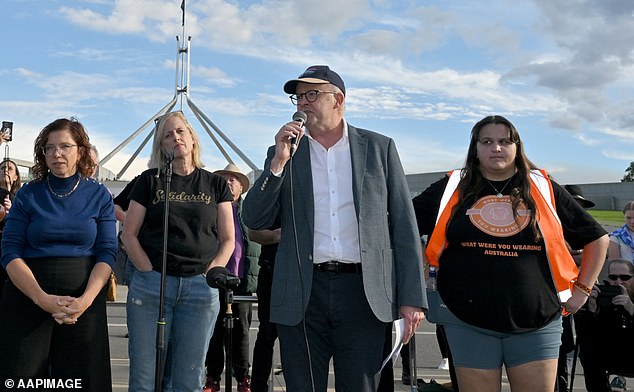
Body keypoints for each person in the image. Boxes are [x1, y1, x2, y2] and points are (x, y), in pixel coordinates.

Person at [243, 65, 426, 391]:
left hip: (363, 294)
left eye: (312, 94)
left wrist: (411, 298)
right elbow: (254, 220)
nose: (303, 103)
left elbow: (404, 225)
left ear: (338, 99)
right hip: (302, 291)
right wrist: (277, 164)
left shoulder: (378, 148)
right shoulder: (284, 152)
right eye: (298, 97)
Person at [413, 115, 609, 391]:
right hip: (466, 320)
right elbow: (403, 225)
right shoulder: (453, 186)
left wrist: (583, 290)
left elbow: (597, 238)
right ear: (475, 148)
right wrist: (420, 267)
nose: (496, 148)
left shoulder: (542, 186)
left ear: (517, 147)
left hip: (537, 322)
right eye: (487, 141)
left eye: (505, 141)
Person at [0, 118, 117, 390]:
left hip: (82, 305)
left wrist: (85, 301)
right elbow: (9, 250)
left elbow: (107, 252)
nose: (57, 153)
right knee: (22, 379)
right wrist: (42, 299)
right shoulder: (28, 193)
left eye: (65, 146)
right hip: (27, 300)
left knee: (79, 381)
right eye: (49, 148)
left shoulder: (99, 195)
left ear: (81, 150)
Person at [121, 111, 235, 391]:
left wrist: (212, 271)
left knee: (189, 378)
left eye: (180, 132)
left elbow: (228, 239)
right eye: (168, 135)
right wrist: (146, 270)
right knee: (145, 377)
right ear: (162, 146)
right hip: (152, 287)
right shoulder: (150, 181)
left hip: (199, 289)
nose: (175, 138)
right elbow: (129, 234)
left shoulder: (216, 184)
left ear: (193, 139)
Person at [204, 163, 261, 392]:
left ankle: (243, 377)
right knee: (214, 331)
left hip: (243, 280)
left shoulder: (250, 210)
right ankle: (213, 377)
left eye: (233, 179)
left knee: (242, 332)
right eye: (225, 178)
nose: (228, 182)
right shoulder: (212, 209)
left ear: (241, 187)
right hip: (215, 279)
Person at [553, 184, 597, 392]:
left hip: (580, 296)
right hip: (558, 298)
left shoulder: (585, 229)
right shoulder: (552, 228)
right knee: (559, 349)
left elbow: (596, 251)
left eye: (578, 206)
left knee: (576, 347)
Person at [575, 259, 634, 392]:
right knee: (587, 353)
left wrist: (631, 308)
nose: (618, 282)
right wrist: (592, 308)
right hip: (612, 352)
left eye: (625, 277)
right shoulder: (602, 295)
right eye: (613, 277)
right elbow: (584, 336)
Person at [248, 225, 280, 392]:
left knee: (296, 339)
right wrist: (276, 236)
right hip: (270, 270)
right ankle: (258, 387)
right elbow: (252, 232)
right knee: (266, 335)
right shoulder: (271, 201)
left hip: (298, 271)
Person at [0, 159, 21, 298]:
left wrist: (12, 215)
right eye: (2, 168)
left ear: (16, 177)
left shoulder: (21, 199)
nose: (5, 170)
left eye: (10, 168)